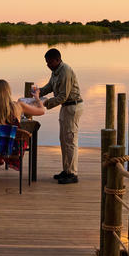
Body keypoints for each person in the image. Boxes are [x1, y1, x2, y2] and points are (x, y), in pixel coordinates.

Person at [0, 79, 45, 179]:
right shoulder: (18, 106)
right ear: (8, 92)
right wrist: (37, 98)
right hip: (14, 147)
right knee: (8, 135)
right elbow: (41, 111)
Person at [38, 48, 83, 184]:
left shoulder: (65, 71)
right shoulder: (55, 72)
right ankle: (66, 170)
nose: (48, 65)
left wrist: (44, 103)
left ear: (57, 60)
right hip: (65, 107)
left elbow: (63, 96)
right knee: (63, 140)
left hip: (72, 107)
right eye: (46, 63)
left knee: (70, 140)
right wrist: (38, 92)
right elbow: (50, 87)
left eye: (49, 62)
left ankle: (72, 174)